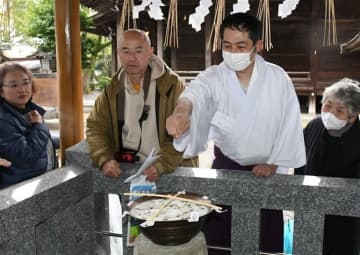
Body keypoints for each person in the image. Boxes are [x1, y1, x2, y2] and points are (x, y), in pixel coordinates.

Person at [166, 13, 306, 253]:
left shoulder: (277, 78)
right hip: (226, 166)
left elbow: (290, 123)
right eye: (227, 45)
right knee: (220, 237)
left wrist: (273, 163)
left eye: (241, 46)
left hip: (267, 172)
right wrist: (181, 112)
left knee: (264, 238)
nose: (233, 52)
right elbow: (194, 94)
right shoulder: (215, 76)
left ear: (257, 46)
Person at [86, 29, 197, 182]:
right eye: (125, 51)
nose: (131, 58)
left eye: (138, 51)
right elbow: (96, 127)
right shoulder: (112, 90)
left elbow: (187, 129)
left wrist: (162, 165)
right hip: (127, 171)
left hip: (171, 169)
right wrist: (104, 158)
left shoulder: (172, 85)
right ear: (118, 52)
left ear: (150, 52)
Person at [295, 78, 360, 255]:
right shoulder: (314, 125)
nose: (330, 113)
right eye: (328, 106)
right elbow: (300, 165)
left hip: (346, 217)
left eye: (339, 111)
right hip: (309, 207)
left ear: (353, 117)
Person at [0, 63, 57, 189]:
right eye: (13, 85)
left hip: (36, 183)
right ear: (1, 91)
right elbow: (27, 154)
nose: (22, 89)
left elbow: (37, 140)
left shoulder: (28, 110)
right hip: (18, 189)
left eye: (26, 82)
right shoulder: (3, 120)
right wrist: (38, 125)